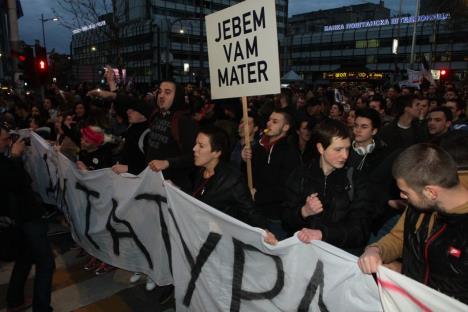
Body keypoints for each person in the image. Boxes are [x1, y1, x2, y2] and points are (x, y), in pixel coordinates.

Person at [358, 144, 468, 304]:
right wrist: (376, 250)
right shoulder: (421, 203)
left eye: (406, 192)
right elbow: (399, 237)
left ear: (431, 192)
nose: (402, 196)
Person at [283, 119, 372, 254]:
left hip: (340, 258)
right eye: (338, 149)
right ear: (320, 148)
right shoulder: (300, 174)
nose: (345, 155)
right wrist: (303, 212)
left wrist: (323, 234)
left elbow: (361, 230)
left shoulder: (356, 178)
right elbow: (285, 218)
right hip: (306, 254)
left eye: (347, 148)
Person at [0, 124, 55, 312]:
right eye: (5, 139)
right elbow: (16, 182)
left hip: (16, 218)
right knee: (46, 262)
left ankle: (14, 300)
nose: (9, 142)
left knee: (25, 257)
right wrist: (15, 157)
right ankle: (42, 308)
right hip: (25, 216)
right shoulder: (6, 161)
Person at [242, 109, 302, 240]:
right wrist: (244, 159)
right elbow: (248, 174)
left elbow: (286, 189)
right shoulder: (259, 146)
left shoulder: (290, 152)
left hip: (276, 217)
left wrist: (257, 195)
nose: (269, 123)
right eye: (269, 120)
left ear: (285, 127)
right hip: (256, 211)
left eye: (275, 121)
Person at [146, 80, 197, 192]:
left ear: (177, 96)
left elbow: (193, 157)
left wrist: (167, 163)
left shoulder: (184, 121)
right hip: (153, 182)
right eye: (160, 92)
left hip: (174, 187)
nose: (161, 96)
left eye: (167, 92)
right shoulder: (156, 115)